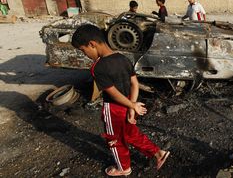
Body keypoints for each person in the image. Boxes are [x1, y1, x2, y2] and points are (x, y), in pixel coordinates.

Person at [71, 24, 170, 176]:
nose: (85, 54)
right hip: (130, 102)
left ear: (92, 44)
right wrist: (132, 106)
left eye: (83, 51)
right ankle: (158, 153)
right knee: (131, 134)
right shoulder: (123, 58)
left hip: (114, 109)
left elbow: (113, 93)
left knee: (114, 140)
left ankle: (123, 168)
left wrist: (132, 106)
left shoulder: (98, 68)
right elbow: (135, 84)